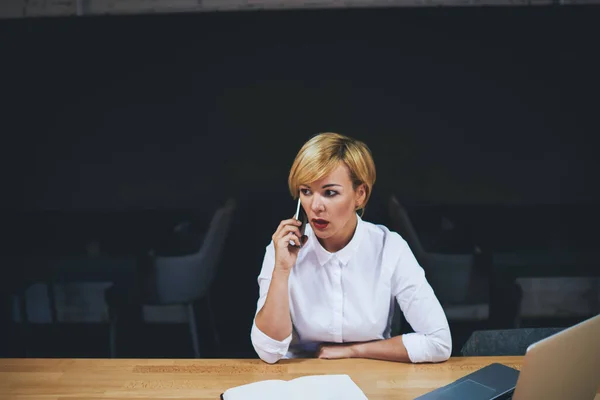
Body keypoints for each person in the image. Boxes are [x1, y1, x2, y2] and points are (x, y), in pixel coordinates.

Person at [251, 132, 451, 364]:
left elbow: (439, 342)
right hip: (298, 381)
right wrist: (282, 271)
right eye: (306, 191)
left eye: (330, 193)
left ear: (360, 194)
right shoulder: (283, 248)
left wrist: (355, 350)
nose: (315, 206)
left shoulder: (389, 247)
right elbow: (268, 351)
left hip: (374, 379)